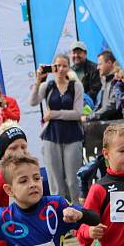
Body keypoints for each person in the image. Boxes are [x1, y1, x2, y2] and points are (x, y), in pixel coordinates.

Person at [30, 54, 85, 202]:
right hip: (51, 136)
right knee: (56, 181)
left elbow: (77, 113)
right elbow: (33, 102)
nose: (60, 69)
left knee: (73, 181)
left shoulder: (76, 86)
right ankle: (59, 214)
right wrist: (38, 80)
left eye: (64, 66)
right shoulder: (47, 86)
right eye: (57, 66)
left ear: (68, 68)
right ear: (53, 67)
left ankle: (77, 211)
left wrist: (54, 114)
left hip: (72, 135)